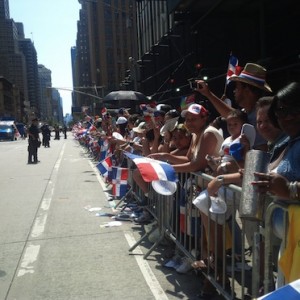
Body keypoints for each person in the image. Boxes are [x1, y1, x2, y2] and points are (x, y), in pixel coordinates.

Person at [251, 82, 300, 286]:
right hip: (291, 242)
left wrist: (289, 189)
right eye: (279, 112)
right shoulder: (291, 141)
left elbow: (287, 187)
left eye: (292, 109)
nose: (285, 116)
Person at [196, 63, 272, 150]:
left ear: (247, 90)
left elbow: (260, 153)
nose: (234, 91)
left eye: (237, 87)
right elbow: (231, 114)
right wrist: (208, 94)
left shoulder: (260, 116)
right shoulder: (248, 112)